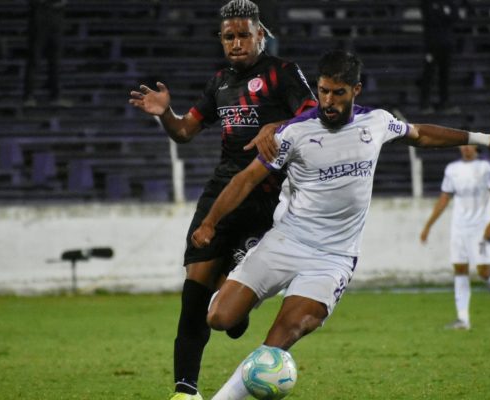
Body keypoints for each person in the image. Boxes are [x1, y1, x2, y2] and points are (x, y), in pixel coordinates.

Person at [190, 50, 490, 399]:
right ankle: (241, 298)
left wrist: (485, 139)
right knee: (218, 318)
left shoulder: (376, 123)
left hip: (332, 258)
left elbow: (421, 133)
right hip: (285, 241)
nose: (328, 101)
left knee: (279, 340)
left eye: (338, 93)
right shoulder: (294, 133)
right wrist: (210, 222)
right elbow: (246, 179)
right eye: (323, 91)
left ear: (356, 90)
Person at [128, 1, 317, 399]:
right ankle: (185, 391)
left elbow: (313, 114)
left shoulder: (282, 72)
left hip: (264, 198)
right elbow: (184, 132)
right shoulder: (219, 83)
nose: (235, 42)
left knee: (227, 313)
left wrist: (277, 124)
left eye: (243, 34)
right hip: (220, 196)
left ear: (259, 34)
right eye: (228, 36)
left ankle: (237, 312)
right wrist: (165, 113)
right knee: (194, 292)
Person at [420, 145, 490, 330]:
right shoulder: (452, 169)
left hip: (481, 226)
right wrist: (428, 226)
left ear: (476, 146)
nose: (466, 148)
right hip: (459, 227)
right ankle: (463, 319)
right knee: (460, 269)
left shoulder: (487, 167)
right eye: (463, 144)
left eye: (469, 144)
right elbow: (444, 199)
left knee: (484, 272)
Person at [23, 0, 70, 107]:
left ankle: (55, 96)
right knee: (34, 59)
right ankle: (28, 96)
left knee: (56, 60)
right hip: (40, 14)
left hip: (56, 16)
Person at [419, 0, 460, 115]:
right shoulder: (428, 2)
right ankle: (424, 104)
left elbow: (455, 16)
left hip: (446, 43)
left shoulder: (448, 2)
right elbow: (431, 18)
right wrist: (445, 14)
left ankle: (444, 103)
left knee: (445, 75)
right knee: (429, 74)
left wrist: (443, 15)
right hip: (432, 44)